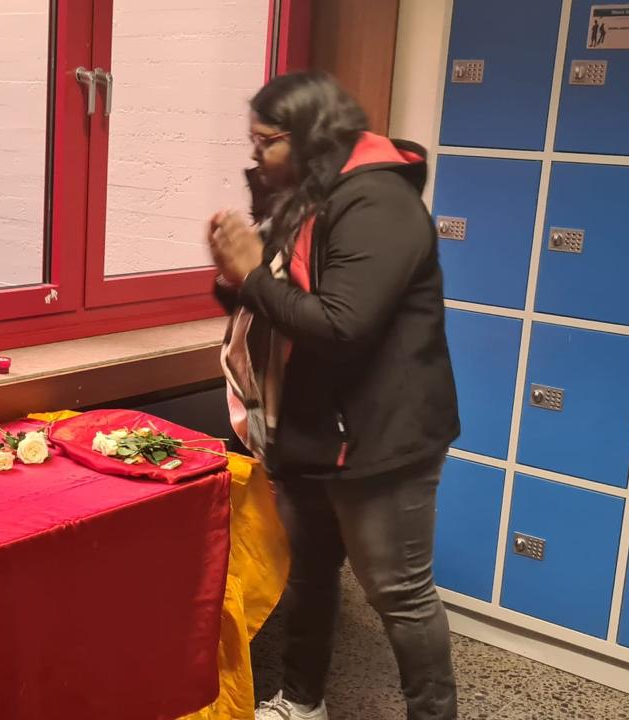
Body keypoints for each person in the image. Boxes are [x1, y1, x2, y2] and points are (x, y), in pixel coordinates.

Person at [209, 72, 461, 720]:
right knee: (310, 573)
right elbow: (275, 299)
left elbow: (342, 325)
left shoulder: (379, 202)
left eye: (266, 142)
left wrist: (251, 273)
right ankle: (302, 703)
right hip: (311, 426)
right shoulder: (306, 198)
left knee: (400, 595)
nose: (257, 157)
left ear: (311, 136)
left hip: (379, 435)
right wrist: (235, 275)